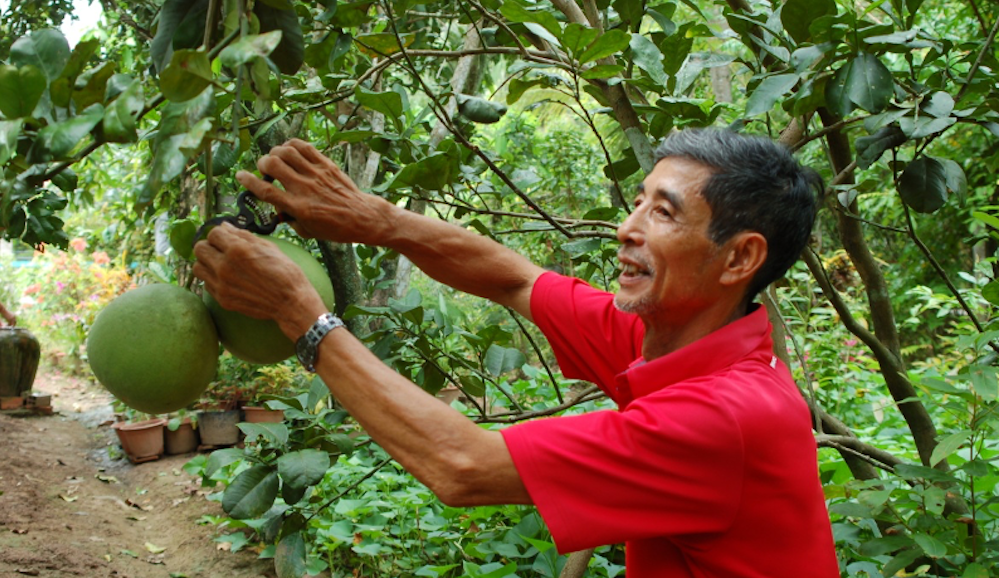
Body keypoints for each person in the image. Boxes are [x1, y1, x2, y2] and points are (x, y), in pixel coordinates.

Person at [193, 128, 840, 577]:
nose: (627, 228)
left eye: (663, 214)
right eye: (637, 202)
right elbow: (515, 280)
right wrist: (376, 219)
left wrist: (301, 316)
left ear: (740, 258)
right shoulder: (668, 336)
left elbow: (462, 466)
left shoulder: (727, 416)